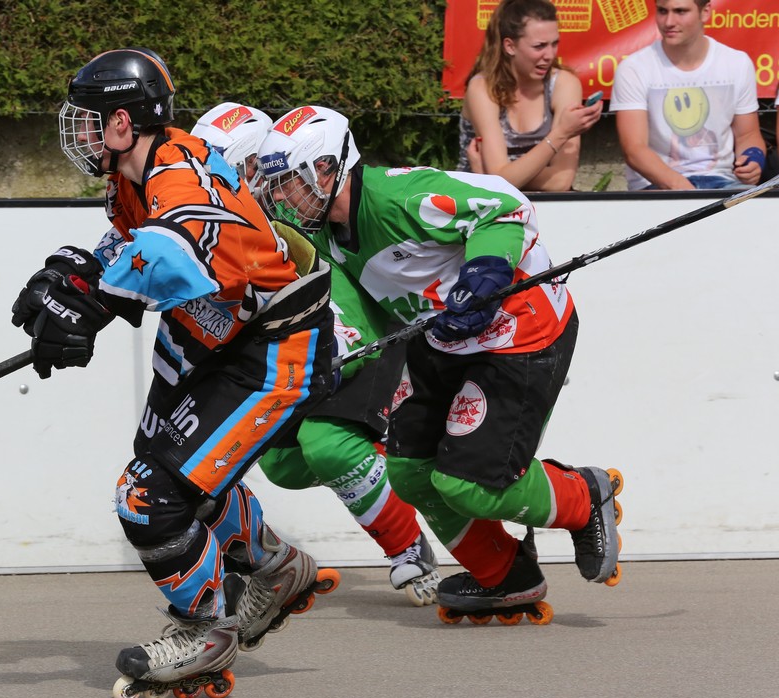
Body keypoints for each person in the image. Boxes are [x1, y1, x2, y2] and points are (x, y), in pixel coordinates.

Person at [10, 49, 339, 698]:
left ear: (122, 123)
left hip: (269, 350)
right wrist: (71, 284)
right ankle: (275, 569)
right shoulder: (133, 175)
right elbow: (130, 246)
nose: (77, 131)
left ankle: (207, 631)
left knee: (148, 495)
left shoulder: (176, 173)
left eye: (88, 118)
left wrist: (93, 306)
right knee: (164, 466)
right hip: (212, 334)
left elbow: (173, 248)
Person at [255, 105, 623, 623]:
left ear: (326, 168)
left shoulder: (400, 196)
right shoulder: (322, 236)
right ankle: (504, 575)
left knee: (468, 483)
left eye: (287, 184)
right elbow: (359, 315)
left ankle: (584, 496)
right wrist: (332, 353)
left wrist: (485, 274)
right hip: (442, 343)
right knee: (410, 473)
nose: (279, 198)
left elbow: (505, 207)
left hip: (519, 331)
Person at [191, 103, 441, 605]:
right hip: (299, 346)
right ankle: (387, 467)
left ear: (249, 167)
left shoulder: (292, 213)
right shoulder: (228, 213)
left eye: (216, 171)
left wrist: (339, 347)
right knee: (283, 464)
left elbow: (336, 288)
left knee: (328, 446)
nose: (203, 186)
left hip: (361, 339)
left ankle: (408, 549)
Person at [610, 0, 765, 190]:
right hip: (656, 186)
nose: (669, 22)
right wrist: (686, 192)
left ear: (705, 12)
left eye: (680, 11)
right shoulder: (634, 68)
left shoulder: (737, 63)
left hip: (722, 182)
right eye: (662, 11)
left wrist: (753, 159)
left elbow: (747, 135)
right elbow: (634, 149)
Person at [459, 0, 601, 191]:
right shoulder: (482, 87)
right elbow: (499, 183)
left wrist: (498, 174)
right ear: (510, 46)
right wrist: (561, 133)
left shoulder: (564, 84)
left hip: (545, 204)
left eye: (554, 44)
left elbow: (560, 182)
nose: (549, 55)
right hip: (480, 200)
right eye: (539, 46)